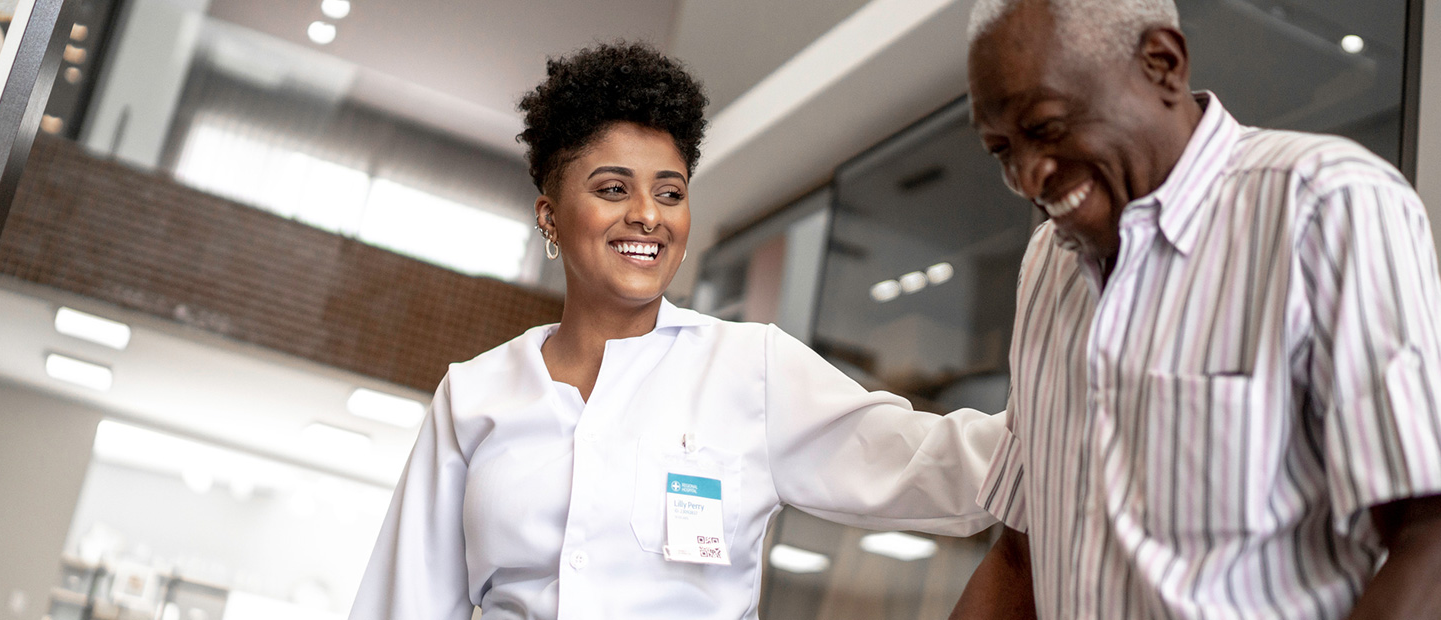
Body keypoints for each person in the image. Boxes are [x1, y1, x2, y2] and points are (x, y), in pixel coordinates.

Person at [346, 42, 1005, 620]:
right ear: (549, 217)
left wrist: (1077, 424)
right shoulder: (474, 396)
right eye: (612, 189)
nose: (646, 216)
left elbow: (934, 464)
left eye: (669, 192)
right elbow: (404, 602)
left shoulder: (751, 369)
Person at [948, 1, 1441, 618]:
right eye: (1001, 151)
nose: (1030, 176)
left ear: (1163, 64)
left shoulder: (1323, 204)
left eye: (1048, 127)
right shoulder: (1047, 266)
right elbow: (1021, 562)